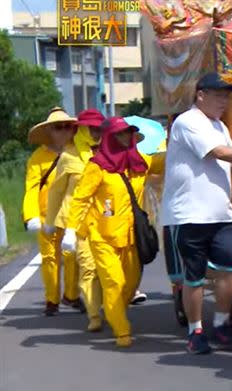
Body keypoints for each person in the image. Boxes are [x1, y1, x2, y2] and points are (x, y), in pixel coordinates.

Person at [160, 72, 232, 354]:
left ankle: (220, 324)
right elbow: (221, 153)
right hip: (190, 214)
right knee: (193, 277)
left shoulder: (219, 125)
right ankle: (195, 330)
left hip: (222, 214)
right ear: (201, 95)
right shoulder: (187, 122)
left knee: (229, 270)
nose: (224, 101)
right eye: (219, 95)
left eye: (226, 96)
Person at [61, 117, 165, 348]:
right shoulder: (96, 167)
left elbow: (166, 161)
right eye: (121, 134)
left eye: (129, 133)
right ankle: (122, 331)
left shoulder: (139, 163)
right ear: (109, 137)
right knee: (113, 283)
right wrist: (70, 230)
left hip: (132, 238)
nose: (127, 137)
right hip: (103, 237)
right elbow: (80, 200)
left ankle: (113, 310)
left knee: (128, 287)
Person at [44, 109, 105, 329]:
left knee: (109, 270)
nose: (97, 132)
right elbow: (56, 192)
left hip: (105, 221)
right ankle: (94, 315)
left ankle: (110, 303)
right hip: (76, 222)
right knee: (88, 268)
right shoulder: (68, 156)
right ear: (83, 129)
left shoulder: (107, 152)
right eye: (93, 128)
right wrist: (50, 221)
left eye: (100, 128)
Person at [23, 107, 81, 316]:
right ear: (50, 131)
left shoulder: (78, 151)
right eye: (59, 127)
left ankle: (72, 295)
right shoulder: (38, 158)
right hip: (45, 215)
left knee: (72, 255)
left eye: (68, 127)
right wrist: (30, 216)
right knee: (49, 258)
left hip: (71, 213)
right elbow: (31, 188)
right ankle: (52, 299)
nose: (64, 131)